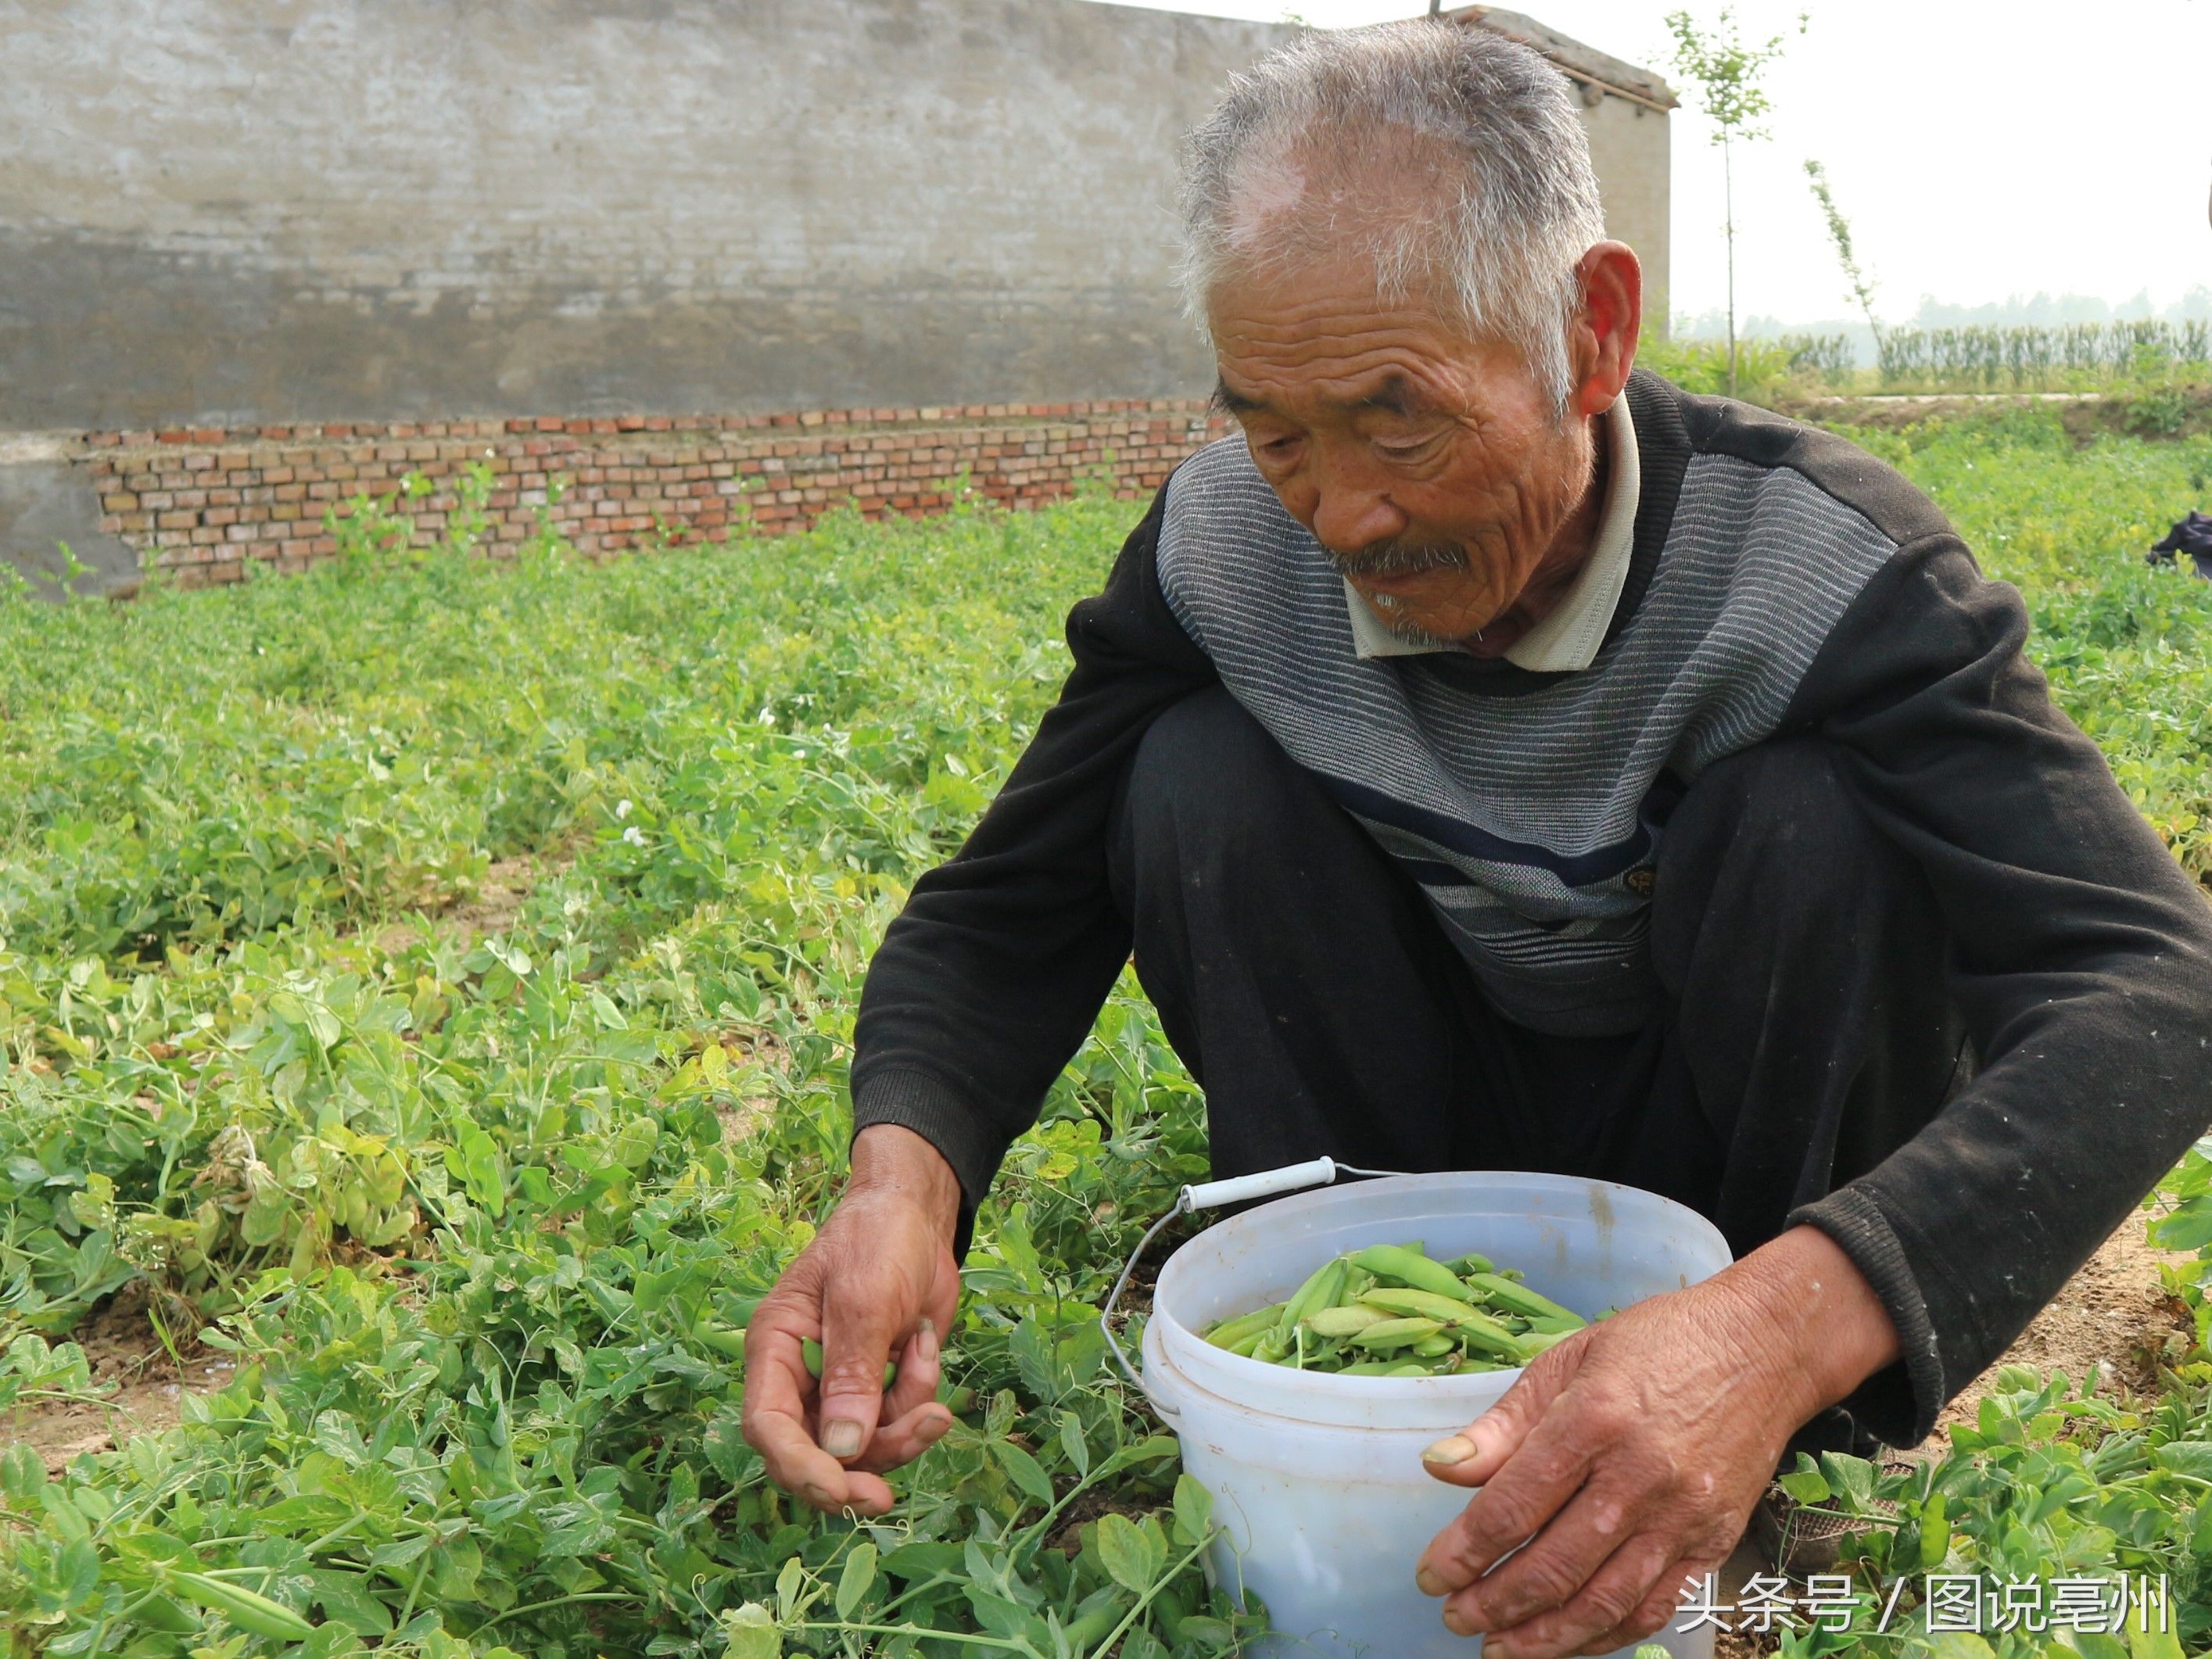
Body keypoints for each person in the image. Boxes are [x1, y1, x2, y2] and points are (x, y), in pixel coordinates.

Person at [744, 20, 2212, 1657]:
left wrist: (1780, 1321)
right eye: (1274, 428)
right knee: (1189, 772)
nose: (1341, 517)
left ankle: (1752, 1456)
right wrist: (895, 1183)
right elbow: (1004, 903)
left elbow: (2156, 986)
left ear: (1587, 332)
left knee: (1812, 821)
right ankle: (1374, 1418)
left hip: (1725, 1152)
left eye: (1398, 420)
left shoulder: (1824, 572)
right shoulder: (1224, 550)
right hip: (1419, 1114)